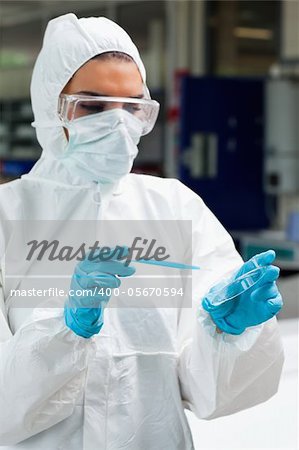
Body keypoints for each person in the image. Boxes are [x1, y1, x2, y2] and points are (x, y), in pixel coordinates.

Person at [0, 13, 284, 450]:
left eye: (132, 107)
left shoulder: (173, 207)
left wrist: (228, 334)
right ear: (49, 107)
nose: (117, 124)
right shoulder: (7, 216)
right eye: (92, 105)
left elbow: (206, 393)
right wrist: (67, 331)